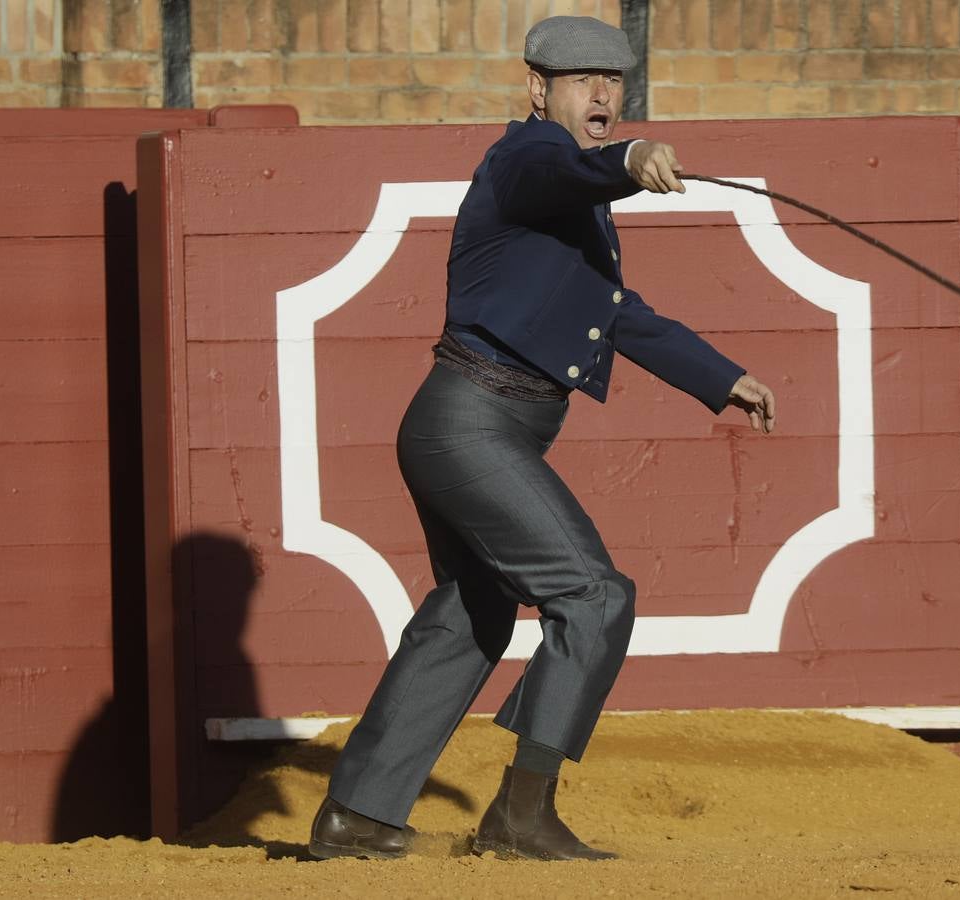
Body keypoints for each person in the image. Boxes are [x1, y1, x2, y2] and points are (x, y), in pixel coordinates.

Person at [308, 15, 776, 862]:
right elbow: (570, 168)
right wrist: (628, 161)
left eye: (614, 80)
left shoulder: (572, 207)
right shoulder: (523, 160)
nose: (602, 93)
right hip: (471, 424)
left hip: (479, 427)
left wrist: (720, 377)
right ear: (538, 89)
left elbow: (617, 312)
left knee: (474, 613)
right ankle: (522, 815)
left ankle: (359, 816)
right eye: (581, 79)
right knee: (595, 596)